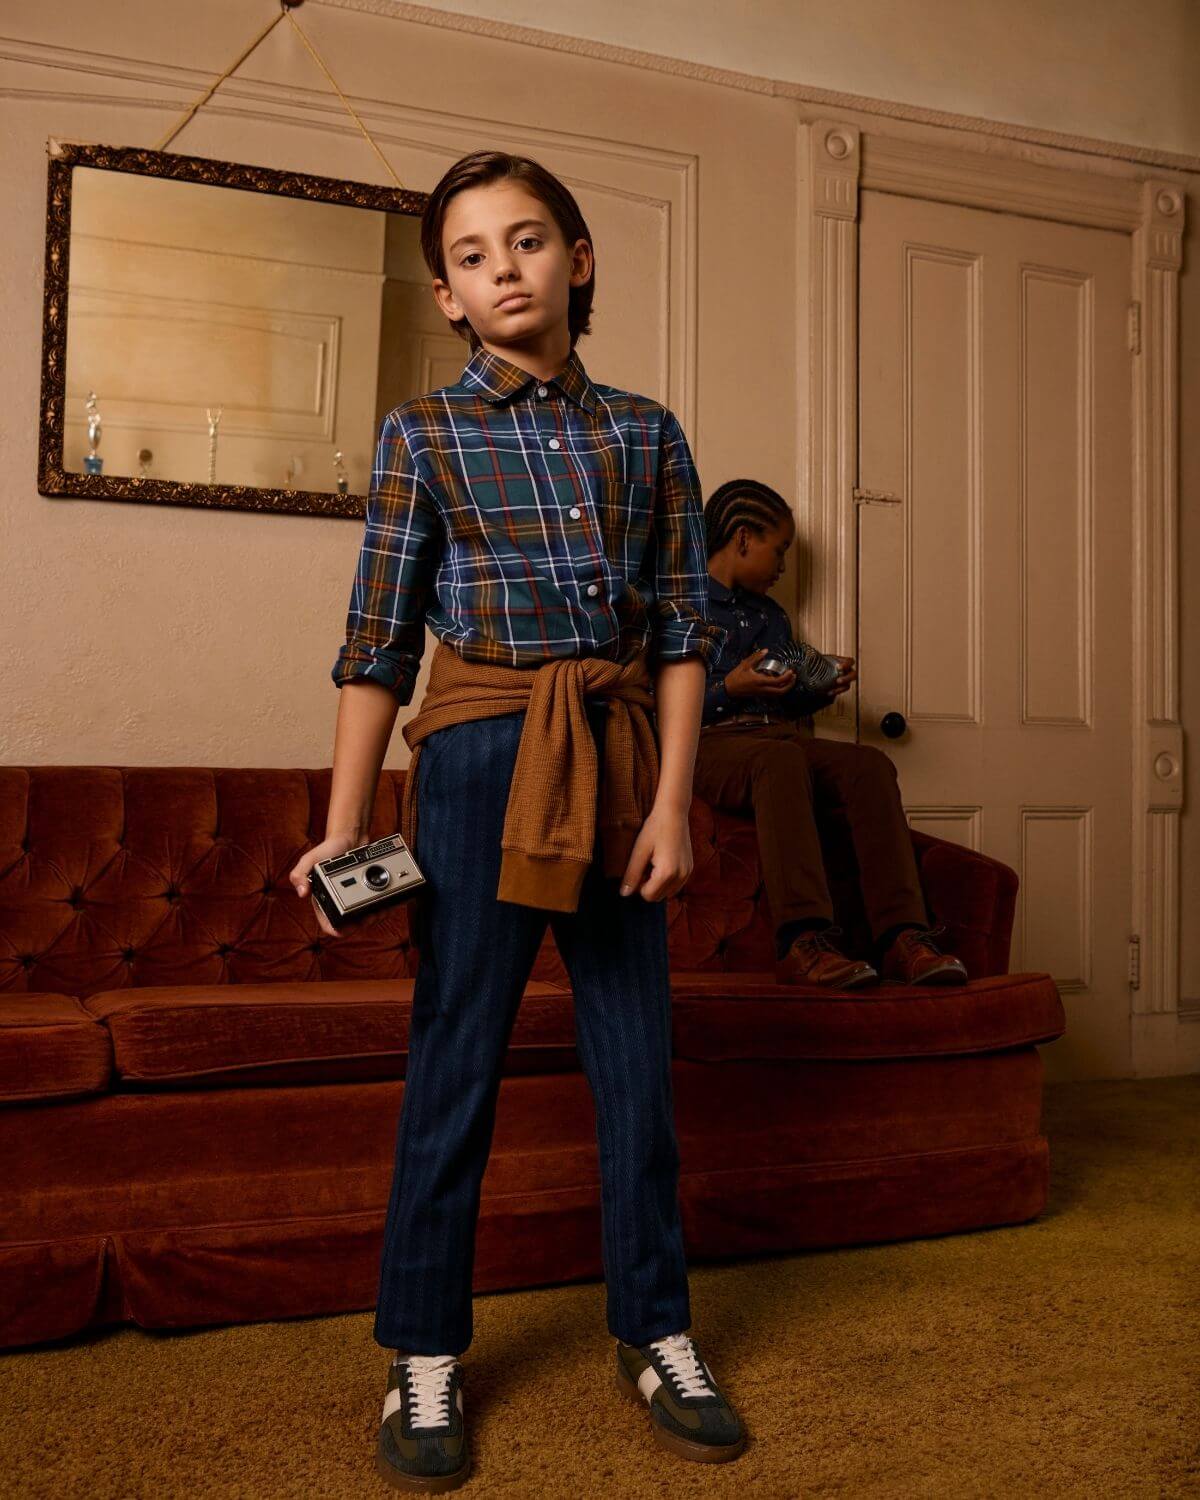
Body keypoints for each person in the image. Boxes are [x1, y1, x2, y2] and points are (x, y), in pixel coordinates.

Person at [289, 150, 745, 1492]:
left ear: (579, 259)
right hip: (480, 759)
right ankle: (422, 1349)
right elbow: (374, 646)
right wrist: (343, 823)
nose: (505, 268)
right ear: (447, 294)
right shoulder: (419, 436)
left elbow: (682, 630)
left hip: (612, 760)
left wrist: (670, 802)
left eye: (528, 241)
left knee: (634, 1069)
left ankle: (657, 1327)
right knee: (457, 1064)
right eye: (475, 254)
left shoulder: (648, 432)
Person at [694, 478, 969, 991]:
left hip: (773, 735)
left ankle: (904, 939)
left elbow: (787, 696)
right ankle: (804, 943)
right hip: (705, 743)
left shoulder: (770, 616)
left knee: (869, 765)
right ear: (744, 538)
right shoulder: (678, 600)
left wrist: (822, 685)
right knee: (778, 764)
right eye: (780, 552)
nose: (782, 567)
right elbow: (654, 699)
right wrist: (729, 686)